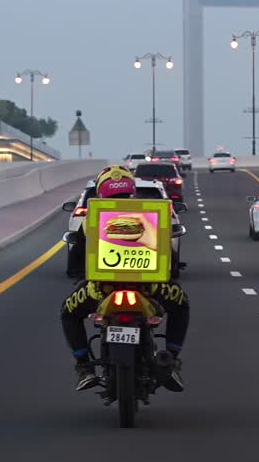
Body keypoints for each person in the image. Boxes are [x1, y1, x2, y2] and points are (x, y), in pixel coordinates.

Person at [61, 166, 189, 393]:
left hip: (101, 288)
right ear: (130, 188)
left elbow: (78, 253)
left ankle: (84, 367)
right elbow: (166, 250)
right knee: (181, 305)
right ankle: (171, 360)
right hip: (151, 287)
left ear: (102, 190)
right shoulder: (151, 212)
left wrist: (76, 272)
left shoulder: (94, 216)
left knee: (69, 313)